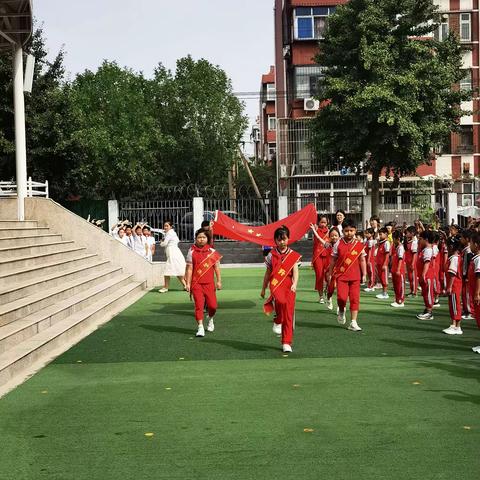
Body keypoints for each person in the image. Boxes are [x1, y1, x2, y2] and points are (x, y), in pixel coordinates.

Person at [261, 225, 301, 353]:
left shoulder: (293, 255)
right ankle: (277, 319)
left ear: (288, 239)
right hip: (276, 284)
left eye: (284, 239)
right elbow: (267, 273)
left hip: (289, 286)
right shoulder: (270, 255)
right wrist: (263, 288)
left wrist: (295, 284)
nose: (282, 242)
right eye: (279, 240)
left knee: (289, 315)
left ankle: (286, 342)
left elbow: (295, 271)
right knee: (280, 302)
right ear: (275, 241)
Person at [328, 218, 367, 331]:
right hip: (341, 276)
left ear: (355, 231)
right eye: (346, 230)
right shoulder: (338, 244)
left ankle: (353, 322)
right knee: (342, 298)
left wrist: (364, 274)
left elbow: (362, 260)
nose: (349, 233)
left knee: (355, 299)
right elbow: (333, 259)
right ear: (343, 231)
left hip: (355, 276)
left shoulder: (359, 245)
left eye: (351, 230)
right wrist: (330, 272)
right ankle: (341, 310)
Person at [185, 229, 222, 337]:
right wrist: (187, 283)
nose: (201, 239)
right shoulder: (191, 251)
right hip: (196, 283)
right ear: (196, 239)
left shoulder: (212, 252)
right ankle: (200, 327)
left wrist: (219, 281)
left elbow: (216, 268)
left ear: (207, 239)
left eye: (203, 237)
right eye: (199, 237)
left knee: (213, 306)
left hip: (209, 284)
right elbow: (189, 269)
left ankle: (210, 319)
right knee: (199, 306)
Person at [442, 235, 464, 335]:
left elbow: (452, 274)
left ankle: (457, 326)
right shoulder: (453, 257)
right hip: (453, 285)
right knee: (452, 304)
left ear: (451, 246)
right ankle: (453, 324)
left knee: (455, 305)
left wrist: (449, 287)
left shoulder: (455, 258)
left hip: (455, 285)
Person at [158, 220, 187, 293]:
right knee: (177, 270)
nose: (165, 227)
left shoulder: (170, 233)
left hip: (173, 253)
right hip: (174, 252)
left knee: (167, 271)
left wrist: (161, 242)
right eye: (165, 226)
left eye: (167, 226)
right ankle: (186, 286)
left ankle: (165, 287)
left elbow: (164, 244)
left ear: (171, 226)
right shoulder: (171, 233)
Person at [310, 215, 330, 303]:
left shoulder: (330, 231)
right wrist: (314, 228)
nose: (323, 224)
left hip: (328, 256)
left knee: (327, 276)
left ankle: (327, 293)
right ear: (318, 222)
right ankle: (321, 296)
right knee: (319, 276)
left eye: (325, 222)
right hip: (318, 256)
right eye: (321, 222)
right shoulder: (315, 230)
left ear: (327, 222)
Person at [416, 230, 436, 320]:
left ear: (426, 239)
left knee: (428, 293)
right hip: (424, 275)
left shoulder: (428, 250)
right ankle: (427, 309)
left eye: (421, 239)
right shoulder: (424, 249)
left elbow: (427, 263)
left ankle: (429, 312)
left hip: (427, 276)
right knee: (425, 292)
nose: (419, 241)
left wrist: (423, 275)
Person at [390, 230, 406, 308]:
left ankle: (401, 301)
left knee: (400, 285)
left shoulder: (401, 247)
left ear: (398, 239)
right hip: (394, 269)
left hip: (399, 270)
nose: (393, 240)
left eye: (394, 238)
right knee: (396, 286)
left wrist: (398, 269)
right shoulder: (396, 247)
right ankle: (397, 299)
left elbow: (400, 259)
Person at [375, 227, 391, 300]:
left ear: (386, 234)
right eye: (379, 234)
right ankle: (383, 292)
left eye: (381, 234)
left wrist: (385, 264)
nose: (379, 236)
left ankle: (385, 293)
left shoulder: (386, 243)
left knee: (384, 279)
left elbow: (387, 254)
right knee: (381, 278)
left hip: (383, 264)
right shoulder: (381, 243)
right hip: (379, 264)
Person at [404, 226, 418, 297]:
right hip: (408, 262)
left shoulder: (414, 243)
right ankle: (411, 290)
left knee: (413, 277)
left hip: (412, 262)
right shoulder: (408, 242)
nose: (406, 234)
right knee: (410, 277)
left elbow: (415, 254)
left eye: (408, 232)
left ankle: (414, 292)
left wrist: (413, 263)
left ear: (412, 233)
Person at [363, 228, 377, 292]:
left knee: (371, 272)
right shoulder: (367, 241)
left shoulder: (371, 241)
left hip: (370, 259)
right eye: (366, 233)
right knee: (369, 272)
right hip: (367, 258)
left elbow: (370, 251)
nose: (366, 234)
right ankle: (369, 285)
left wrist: (368, 260)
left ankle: (372, 286)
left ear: (372, 234)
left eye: (368, 233)